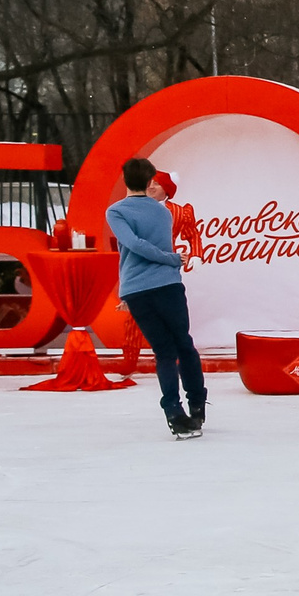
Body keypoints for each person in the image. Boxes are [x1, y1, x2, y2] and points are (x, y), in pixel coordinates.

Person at [108, 155, 206, 439]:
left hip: (138, 289)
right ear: (150, 181)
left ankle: (175, 413)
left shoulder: (116, 212)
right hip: (166, 284)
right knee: (184, 345)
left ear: (125, 180)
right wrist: (171, 259)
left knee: (165, 351)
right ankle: (197, 404)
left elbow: (132, 246)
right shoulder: (163, 212)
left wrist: (124, 287)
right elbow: (147, 246)